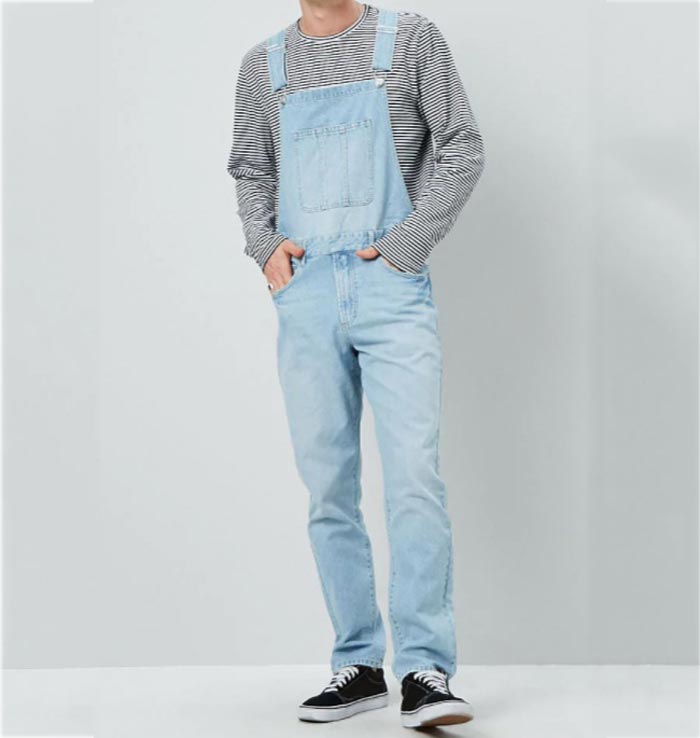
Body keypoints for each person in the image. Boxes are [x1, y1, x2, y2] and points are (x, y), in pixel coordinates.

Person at [227, 0, 485, 728]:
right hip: (306, 293)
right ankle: (359, 664)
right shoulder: (263, 65)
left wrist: (406, 245)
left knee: (414, 480)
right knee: (327, 487)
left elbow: (461, 145)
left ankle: (426, 671)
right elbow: (251, 169)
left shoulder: (411, 39)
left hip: (391, 290)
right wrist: (266, 248)